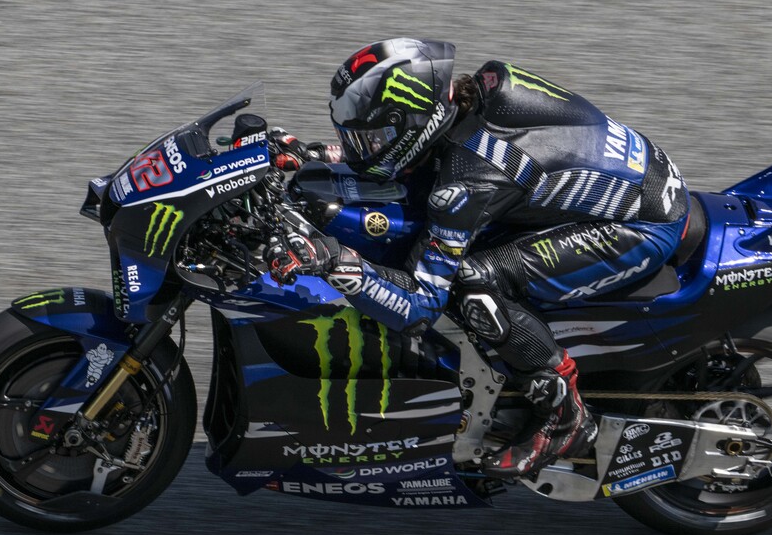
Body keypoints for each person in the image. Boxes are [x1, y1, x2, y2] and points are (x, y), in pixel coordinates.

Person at [266, 38, 690, 478]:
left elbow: (419, 305)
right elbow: (408, 157)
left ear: (414, 122)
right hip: (644, 180)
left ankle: (564, 415)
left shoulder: (471, 178)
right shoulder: (473, 96)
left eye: (369, 138)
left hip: (643, 226)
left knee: (473, 282)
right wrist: (316, 155)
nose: (360, 147)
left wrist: (336, 262)